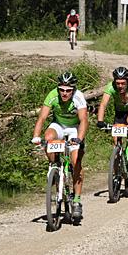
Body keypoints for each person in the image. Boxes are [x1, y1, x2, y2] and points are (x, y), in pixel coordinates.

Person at [31, 72, 88, 219]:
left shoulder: (78, 97)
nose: (64, 93)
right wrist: (35, 137)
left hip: (75, 127)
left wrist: (79, 139)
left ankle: (76, 200)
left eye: (68, 90)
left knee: (76, 162)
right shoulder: (52, 95)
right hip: (59, 126)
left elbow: (83, 120)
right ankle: (55, 167)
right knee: (48, 137)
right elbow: (42, 117)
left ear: (73, 90)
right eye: (62, 89)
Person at [97, 67, 128, 165]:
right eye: (118, 83)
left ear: (127, 81)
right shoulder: (110, 87)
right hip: (119, 113)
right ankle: (116, 174)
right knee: (116, 142)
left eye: (123, 83)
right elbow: (103, 104)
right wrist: (100, 121)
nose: (120, 86)